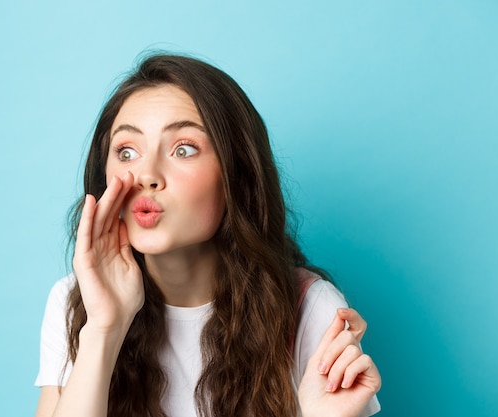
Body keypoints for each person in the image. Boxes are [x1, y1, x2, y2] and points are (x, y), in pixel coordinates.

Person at [34, 53, 381, 417]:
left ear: (236, 175)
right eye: (127, 151)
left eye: (183, 149)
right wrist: (104, 329)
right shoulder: (75, 302)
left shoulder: (309, 309)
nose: (146, 175)